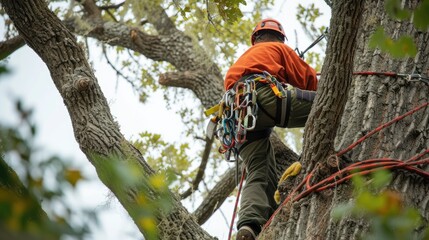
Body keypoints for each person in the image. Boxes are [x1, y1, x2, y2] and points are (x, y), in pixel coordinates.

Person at [223, 18, 318, 240]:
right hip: (264, 97)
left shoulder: (243, 61)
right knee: (332, 101)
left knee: (258, 172)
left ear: (255, 38)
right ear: (281, 39)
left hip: (238, 116)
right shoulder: (277, 49)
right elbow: (310, 80)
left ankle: (249, 227)